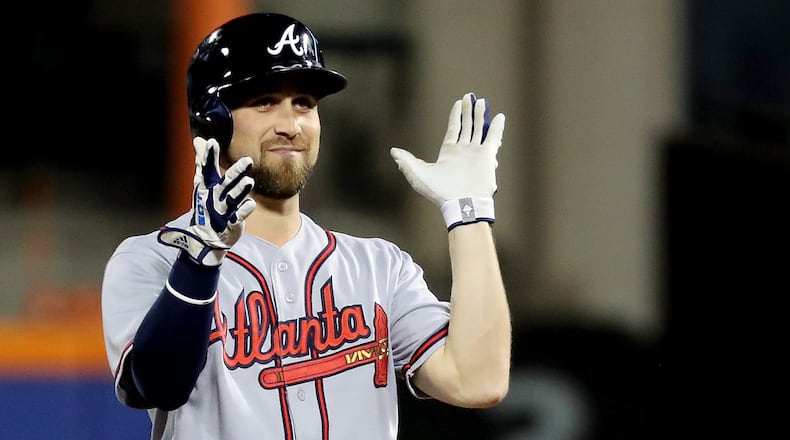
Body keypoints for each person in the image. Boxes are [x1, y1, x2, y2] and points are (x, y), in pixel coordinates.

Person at [101, 11, 511, 440]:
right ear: (211, 120)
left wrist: (470, 213)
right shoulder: (153, 259)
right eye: (264, 102)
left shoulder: (379, 267)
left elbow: (476, 381)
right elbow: (157, 385)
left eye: (304, 104)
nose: (290, 125)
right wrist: (199, 264)